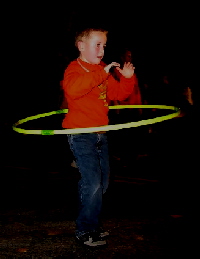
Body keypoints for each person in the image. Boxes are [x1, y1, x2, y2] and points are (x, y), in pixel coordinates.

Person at [62, 28, 135, 247]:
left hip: (101, 135)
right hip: (80, 134)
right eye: (97, 45)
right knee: (93, 183)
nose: (102, 50)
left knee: (102, 184)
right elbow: (73, 90)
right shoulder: (74, 69)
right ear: (81, 46)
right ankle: (84, 230)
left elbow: (118, 95)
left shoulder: (101, 71)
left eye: (104, 45)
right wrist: (101, 74)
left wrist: (128, 79)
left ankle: (92, 224)